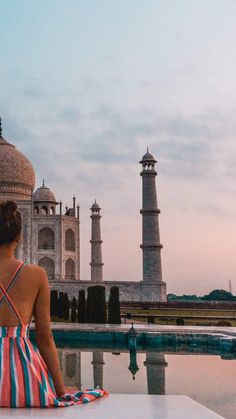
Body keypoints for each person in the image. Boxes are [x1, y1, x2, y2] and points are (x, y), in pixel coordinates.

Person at [0, 200, 108, 407]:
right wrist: (61, 389)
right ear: (20, 236)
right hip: (23, 381)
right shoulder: (35, 275)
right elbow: (45, 338)